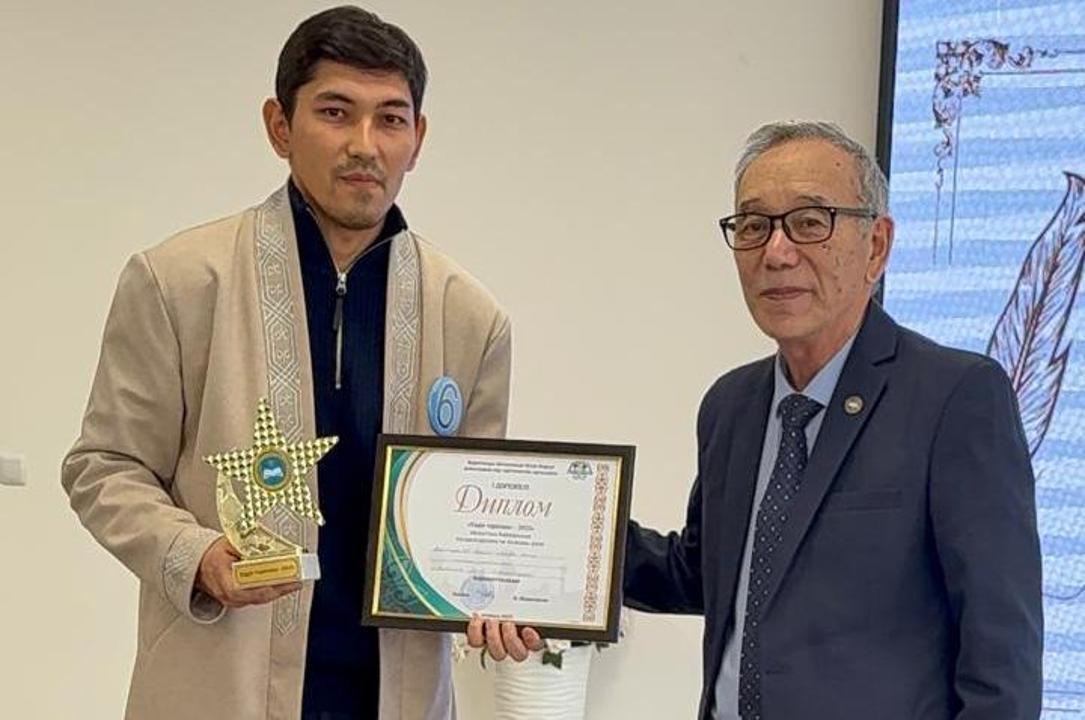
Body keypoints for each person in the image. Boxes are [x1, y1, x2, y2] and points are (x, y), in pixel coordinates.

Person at [61, 7, 538, 720]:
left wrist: (505, 595)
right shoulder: (180, 282)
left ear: (418, 138)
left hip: (395, 694)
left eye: (390, 119)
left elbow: (474, 518)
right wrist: (194, 556)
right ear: (279, 126)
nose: (364, 145)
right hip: (217, 685)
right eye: (335, 113)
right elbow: (103, 465)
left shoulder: (469, 317)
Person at [622, 121, 1043, 718]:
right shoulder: (730, 406)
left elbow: (1003, 662)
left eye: (809, 222)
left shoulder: (957, 398)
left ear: (877, 246)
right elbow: (703, 573)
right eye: (753, 225)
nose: (776, 252)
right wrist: (566, 542)